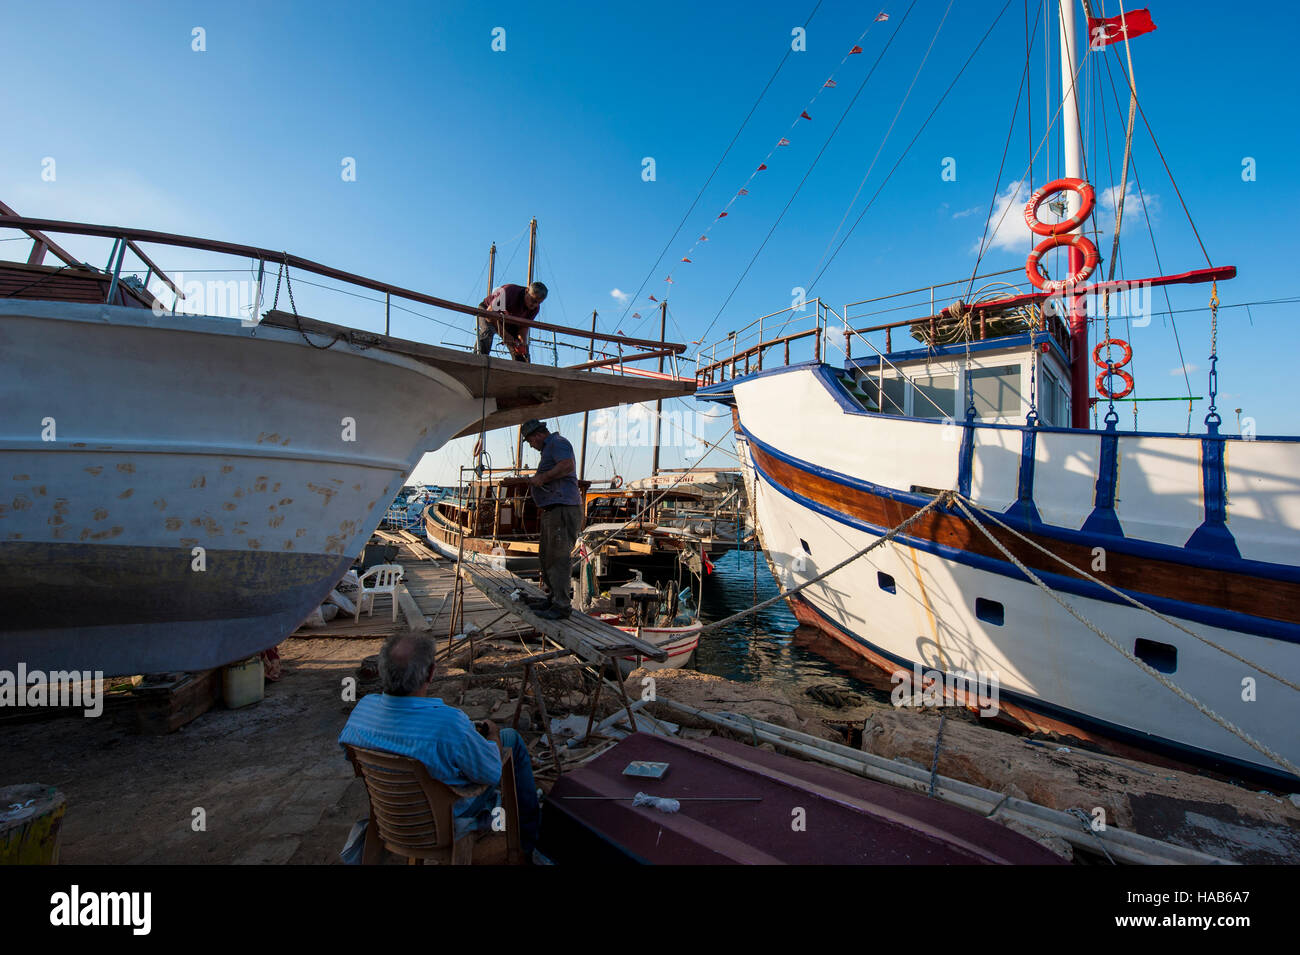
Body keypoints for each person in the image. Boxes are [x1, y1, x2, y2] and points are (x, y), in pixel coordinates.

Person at [338, 633, 540, 854]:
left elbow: (352, 759)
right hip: (440, 820)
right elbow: (491, 774)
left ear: (381, 670)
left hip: (389, 815)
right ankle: (531, 840)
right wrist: (492, 736)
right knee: (510, 738)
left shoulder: (363, 709)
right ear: (432, 673)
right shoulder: (449, 722)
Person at [520, 418, 582, 620]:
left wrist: (542, 478)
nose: (531, 445)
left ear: (537, 435)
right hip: (553, 510)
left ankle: (562, 605)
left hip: (562, 509)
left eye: (530, 441)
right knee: (547, 556)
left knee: (558, 557)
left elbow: (567, 466)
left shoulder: (558, 443)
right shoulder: (549, 448)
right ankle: (554, 598)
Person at [476, 281, 547, 362]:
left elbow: (523, 327)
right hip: (488, 310)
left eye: (539, 303)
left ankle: (522, 369)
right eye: (533, 300)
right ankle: (478, 360)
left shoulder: (535, 309)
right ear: (526, 291)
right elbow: (490, 315)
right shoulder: (509, 291)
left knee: (521, 348)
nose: (534, 305)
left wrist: (522, 344)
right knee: (488, 331)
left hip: (508, 320)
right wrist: (506, 336)